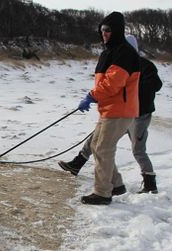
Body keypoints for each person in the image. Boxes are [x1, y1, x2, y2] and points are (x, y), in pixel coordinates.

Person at [58, 35, 162, 195]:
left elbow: (156, 85)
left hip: (139, 115)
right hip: (119, 111)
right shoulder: (117, 64)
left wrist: (132, 88)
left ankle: (150, 184)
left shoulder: (145, 65)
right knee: (97, 138)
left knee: (138, 150)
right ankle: (77, 164)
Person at [68, 12, 140, 205]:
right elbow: (105, 82)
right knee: (96, 146)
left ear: (117, 30)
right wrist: (94, 98)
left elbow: (112, 84)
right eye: (102, 30)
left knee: (103, 149)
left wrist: (91, 96)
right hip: (109, 109)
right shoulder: (110, 51)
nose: (104, 34)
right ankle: (116, 185)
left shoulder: (124, 52)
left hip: (120, 110)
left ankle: (102, 193)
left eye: (108, 30)